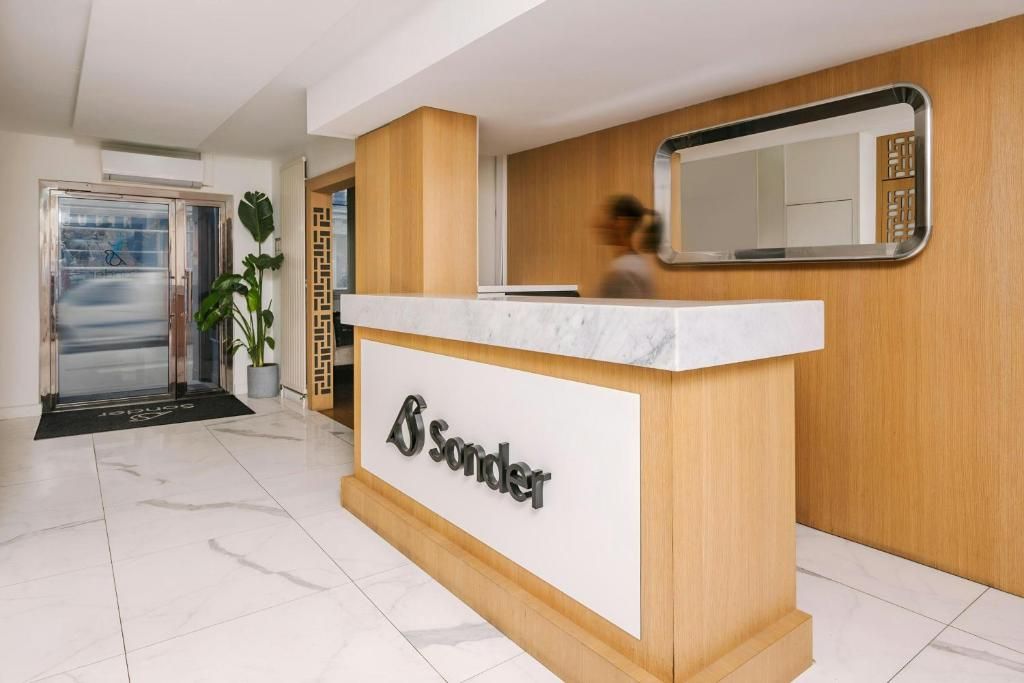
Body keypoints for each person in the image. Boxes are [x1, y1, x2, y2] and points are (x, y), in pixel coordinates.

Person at [592, 194, 662, 298]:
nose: (602, 224)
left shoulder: (625, 270)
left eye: (609, 217)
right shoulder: (632, 264)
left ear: (623, 222)